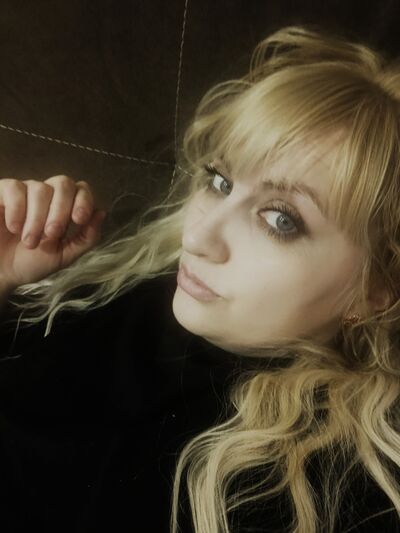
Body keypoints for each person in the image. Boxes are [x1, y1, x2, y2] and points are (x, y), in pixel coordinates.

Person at [0, 23, 399, 533]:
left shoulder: (328, 485)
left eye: (281, 219)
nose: (196, 237)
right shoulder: (118, 288)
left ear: (374, 290)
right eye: (220, 181)